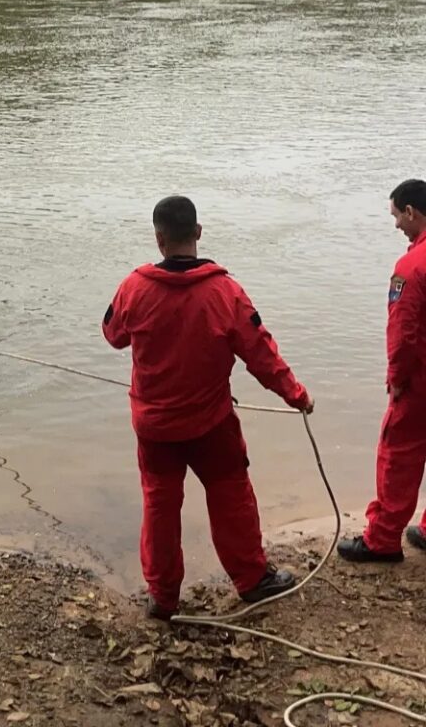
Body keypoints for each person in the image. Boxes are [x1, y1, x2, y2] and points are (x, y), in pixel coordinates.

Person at [102, 195, 314, 619]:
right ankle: (252, 580)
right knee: (231, 495)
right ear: (197, 233)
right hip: (211, 424)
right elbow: (261, 353)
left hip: (155, 428)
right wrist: (297, 395)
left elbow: (113, 335)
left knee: (160, 506)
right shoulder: (226, 292)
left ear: (159, 239)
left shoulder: (133, 288)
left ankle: (162, 596)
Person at [338, 179, 426, 563]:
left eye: (396, 216)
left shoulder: (410, 267)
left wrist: (397, 380)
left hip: (421, 381)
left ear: (411, 212)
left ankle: (382, 539)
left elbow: (403, 334)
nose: (396, 226)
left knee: (398, 455)